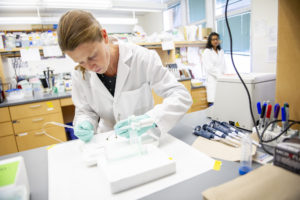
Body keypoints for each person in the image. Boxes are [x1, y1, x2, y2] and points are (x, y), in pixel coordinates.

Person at [57, 10, 192, 142]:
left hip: (143, 139)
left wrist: (151, 119)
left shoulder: (142, 58)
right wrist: (85, 123)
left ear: (104, 36)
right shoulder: (80, 74)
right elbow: (85, 111)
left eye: (92, 56)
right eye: (81, 61)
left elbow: (180, 95)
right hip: (108, 142)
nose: (89, 66)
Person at [202, 32, 226, 105]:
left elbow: (224, 65)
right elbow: (209, 68)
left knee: (221, 102)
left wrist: (225, 75)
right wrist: (220, 75)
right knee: (213, 102)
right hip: (212, 80)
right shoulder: (207, 52)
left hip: (221, 79)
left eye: (217, 39)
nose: (215, 41)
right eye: (213, 40)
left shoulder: (221, 51)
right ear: (210, 41)